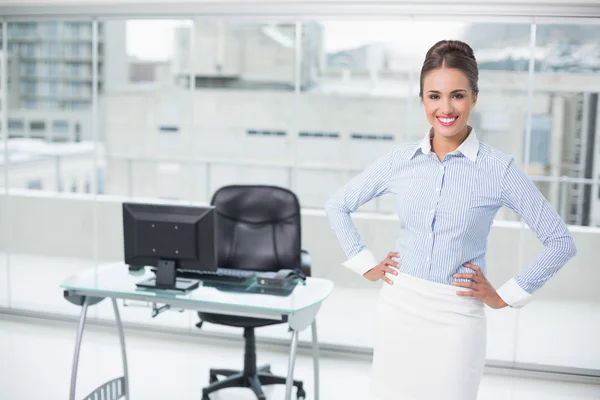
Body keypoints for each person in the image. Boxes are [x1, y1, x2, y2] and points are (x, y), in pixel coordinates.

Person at [324, 39, 577, 400]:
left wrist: (504, 296)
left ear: (474, 97)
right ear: (422, 99)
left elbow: (560, 241)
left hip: (458, 315)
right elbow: (338, 205)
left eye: (457, 95)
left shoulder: (498, 170)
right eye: (434, 96)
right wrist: (366, 264)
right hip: (399, 306)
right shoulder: (400, 161)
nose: (445, 108)